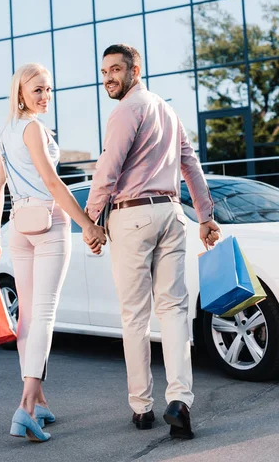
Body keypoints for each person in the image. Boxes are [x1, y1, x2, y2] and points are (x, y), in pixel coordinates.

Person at [85, 44, 220, 440]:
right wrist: (206, 216)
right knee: (175, 310)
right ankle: (179, 401)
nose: (108, 77)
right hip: (172, 214)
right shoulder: (167, 109)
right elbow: (190, 164)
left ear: (135, 69)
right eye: (104, 71)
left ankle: (142, 407)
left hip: (133, 215)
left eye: (115, 69)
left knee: (135, 316)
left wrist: (91, 220)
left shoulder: (127, 109)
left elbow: (107, 169)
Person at [0, 63, 106, 443]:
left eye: (49, 90)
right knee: (44, 314)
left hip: (18, 225)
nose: (44, 96)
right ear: (20, 92)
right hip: (49, 224)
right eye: (37, 90)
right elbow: (52, 181)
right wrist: (86, 223)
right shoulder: (33, 129)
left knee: (28, 318)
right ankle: (24, 408)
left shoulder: (5, 133)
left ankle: (38, 401)